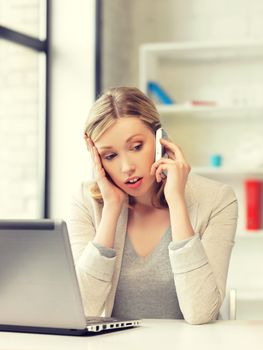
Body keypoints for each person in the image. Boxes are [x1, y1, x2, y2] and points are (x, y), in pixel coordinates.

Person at [67, 86, 238, 325]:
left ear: (161, 140)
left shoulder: (217, 199)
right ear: (98, 161)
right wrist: (112, 209)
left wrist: (176, 201)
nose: (127, 167)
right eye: (110, 156)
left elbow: (201, 313)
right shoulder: (86, 202)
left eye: (136, 147)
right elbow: (82, 310)